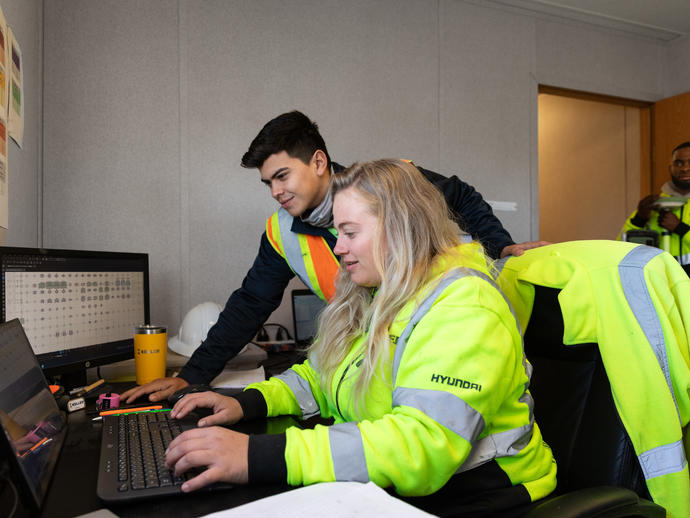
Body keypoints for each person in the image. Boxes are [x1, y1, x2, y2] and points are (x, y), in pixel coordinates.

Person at [164, 159, 557, 516]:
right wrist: (247, 403)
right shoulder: (377, 295)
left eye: (350, 232)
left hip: (487, 492)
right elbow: (318, 376)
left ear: (401, 229)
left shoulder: (465, 306)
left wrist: (260, 455)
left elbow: (421, 445)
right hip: (404, 482)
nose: (338, 247)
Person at [122, 111, 548, 404]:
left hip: (438, 346)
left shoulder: (388, 188)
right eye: (268, 183)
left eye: (282, 176)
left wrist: (502, 247)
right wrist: (191, 376)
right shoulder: (282, 232)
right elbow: (249, 305)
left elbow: (462, 197)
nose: (275, 192)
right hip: (368, 362)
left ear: (319, 162)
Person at [618, 141, 690, 274]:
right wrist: (639, 219)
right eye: (679, 163)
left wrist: (680, 228)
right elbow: (622, 247)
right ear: (670, 168)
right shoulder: (656, 205)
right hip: (661, 283)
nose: (685, 168)